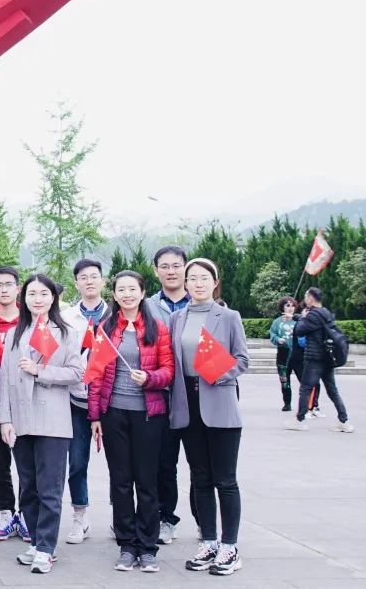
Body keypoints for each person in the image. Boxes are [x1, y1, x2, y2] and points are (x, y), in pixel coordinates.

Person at [88, 271, 175, 573]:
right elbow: (96, 375)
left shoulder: (157, 328)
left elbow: (168, 371)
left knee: (147, 481)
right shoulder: (106, 328)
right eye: (121, 290)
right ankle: (126, 545)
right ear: (114, 295)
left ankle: (147, 547)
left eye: (132, 289)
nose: (127, 294)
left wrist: (149, 378)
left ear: (142, 292)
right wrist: (95, 416)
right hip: (114, 414)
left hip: (148, 415)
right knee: (121, 481)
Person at [0, 274, 82, 575]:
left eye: (44, 293)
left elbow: (76, 373)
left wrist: (40, 370)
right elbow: (5, 378)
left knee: (50, 488)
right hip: (21, 420)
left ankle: (47, 547)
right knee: (28, 487)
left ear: (53, 298)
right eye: (32, 293)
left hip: (54, 421)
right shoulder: (13, 334)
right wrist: (4, 419)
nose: (38, 299)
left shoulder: (67, 333)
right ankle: (35, 541)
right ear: (24, 298)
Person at [171, 258, 248, 576]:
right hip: (188, 405)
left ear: (215, 282)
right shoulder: (177, 318)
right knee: (200, 478)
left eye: (204, 277)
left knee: (225, 480)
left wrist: (218, 372)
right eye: (192, 278)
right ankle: (209, 542)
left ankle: (230, 547)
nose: (198, 283)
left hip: (219, 402)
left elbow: (242, 359)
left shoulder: (228, 317)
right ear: (185, 283)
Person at [60, 258, 108, 546]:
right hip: (77, 398)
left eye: (94, 276)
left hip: (111, 400)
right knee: (77, 462)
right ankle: (80, 517)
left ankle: (122, 516)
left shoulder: (115, 314)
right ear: (76, 283)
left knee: (121, 464)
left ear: (103, 280)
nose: (89, 281)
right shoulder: (67, 317)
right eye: (83, 277)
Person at [145, 244, 191, 546]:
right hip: (160, 395)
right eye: (165, 266)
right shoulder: (147, 306)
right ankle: (165, 517)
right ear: (156, 270)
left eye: (176, 265)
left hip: (195, 395)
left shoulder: (201, 302)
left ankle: (206, 523)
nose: (171, 271)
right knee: (163, 463)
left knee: (202, 465)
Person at [0, 266, 27, 544]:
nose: (3, 289)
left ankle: (25, 515)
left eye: (8, 284)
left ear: (17, 288)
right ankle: (6, 512)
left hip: (24, 399)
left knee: (26, 462)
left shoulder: (31, 321)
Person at [289, 287, 354, 433]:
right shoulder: (325, 313)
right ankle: (344, 421)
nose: (305, 299)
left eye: (306, 296)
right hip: (327, 358)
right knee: (332, 390)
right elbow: (309, 322)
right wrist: (296, 317)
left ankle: (299, 420)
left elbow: (300, 330)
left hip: (314, 358)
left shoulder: (312, 315)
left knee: (305, 388)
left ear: (311, 298)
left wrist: (302, 317)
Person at [269, 296, 297, 412]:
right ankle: (287, 403)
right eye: (288, 305)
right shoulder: (277, 322)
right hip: (283, 354)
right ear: (283, 307)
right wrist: (278, 339)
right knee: (284, 380)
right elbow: (272, 334)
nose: (291, 308)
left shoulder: (298, 320)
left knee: (304, 379)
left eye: (293, 305)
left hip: (297, 353)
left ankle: (309, 404)